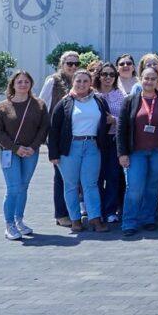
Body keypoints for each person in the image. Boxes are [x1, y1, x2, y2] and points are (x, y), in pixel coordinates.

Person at [48, 69, 111, 233]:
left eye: (85, 81)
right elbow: (54, 130)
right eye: (78, 81)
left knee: (91, 184)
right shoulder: (64, 103)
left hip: (92, 146)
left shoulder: (98, 100)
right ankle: (75, 220)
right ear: (73, 82)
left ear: (90, 83)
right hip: (70, 148)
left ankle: (95, 219)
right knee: (71, 185)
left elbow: (105, 122)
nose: (82, 84)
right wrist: (53, 154)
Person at [0, 70, 50, 240]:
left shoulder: (39, 105)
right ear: (13, 85)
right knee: (13, 188)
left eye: (26, 81)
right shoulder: (2, 107)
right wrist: (15, 148)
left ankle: (19, 220)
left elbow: (44, 127)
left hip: (31, 152)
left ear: (31, 84)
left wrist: (33, 146)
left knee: (24, 186)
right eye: (19, 82)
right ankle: (9, 224)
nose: (23, 84)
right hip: (9, 152)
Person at [118, 66, 158, 236]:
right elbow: (121, 128)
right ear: (140, 79)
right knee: (134, 187)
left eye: (153, 79)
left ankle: (149, 218)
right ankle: (129, 222)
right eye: (146, 78)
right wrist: (122, 153)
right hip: (136, 151)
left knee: (153, 186)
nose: (149, 81)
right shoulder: (130, 100)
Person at [39, 50, 78, 227]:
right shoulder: (53, 81)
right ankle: (61, 214)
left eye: (76, 63)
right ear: (62, 65)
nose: (73, 66)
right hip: (58, 135)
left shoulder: (80, 80)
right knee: (61, 176)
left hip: (77, 135)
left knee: (74, 177)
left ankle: (73, 212)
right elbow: (42, 106)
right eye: (69, 63)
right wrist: (47, 135)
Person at [93, 63, 125, 223]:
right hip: (95, 140)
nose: (108, 77)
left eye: (112, 74)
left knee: (113, 176)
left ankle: (110, 210)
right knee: (96, 177)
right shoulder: (91, 94)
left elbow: (127, 118)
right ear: (99, 76)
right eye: (104, 74)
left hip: (113, 140)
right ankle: (97, 209)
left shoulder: (120, 95)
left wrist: (114, 120)